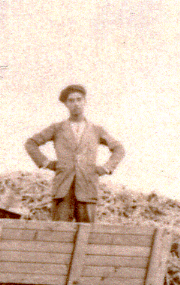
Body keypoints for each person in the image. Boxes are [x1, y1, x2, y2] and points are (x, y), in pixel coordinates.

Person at [24, 85, 123, 223]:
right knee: (60, 233)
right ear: (66, 104)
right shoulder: (57, 128)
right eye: (71, 101)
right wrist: (45, 162)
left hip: (87, 188)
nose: (76, 104)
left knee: (87, 233)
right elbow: (31, 143)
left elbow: (119, 148)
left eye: (79, 99)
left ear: (85, 101)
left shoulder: (96, 130)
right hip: (63, 189)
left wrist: (106, 167)